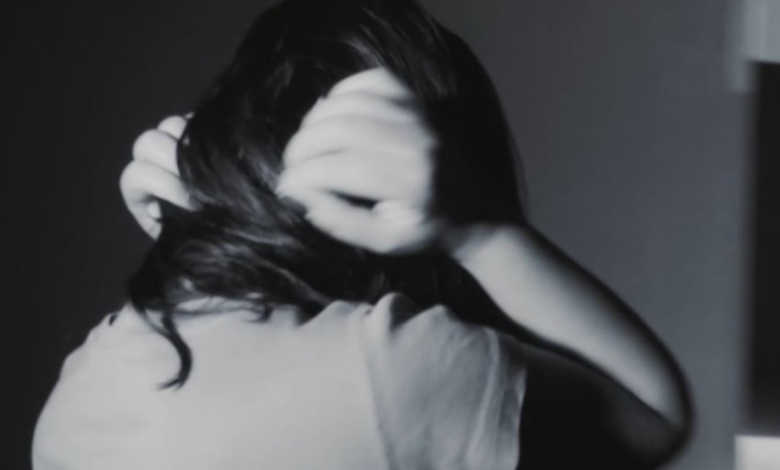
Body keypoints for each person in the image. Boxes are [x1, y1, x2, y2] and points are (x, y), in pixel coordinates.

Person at [32, 0, 692, 469]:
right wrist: (480, 231)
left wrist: (201, 240)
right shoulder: (394, 371)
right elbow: (653, 417)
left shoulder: (85, 386)